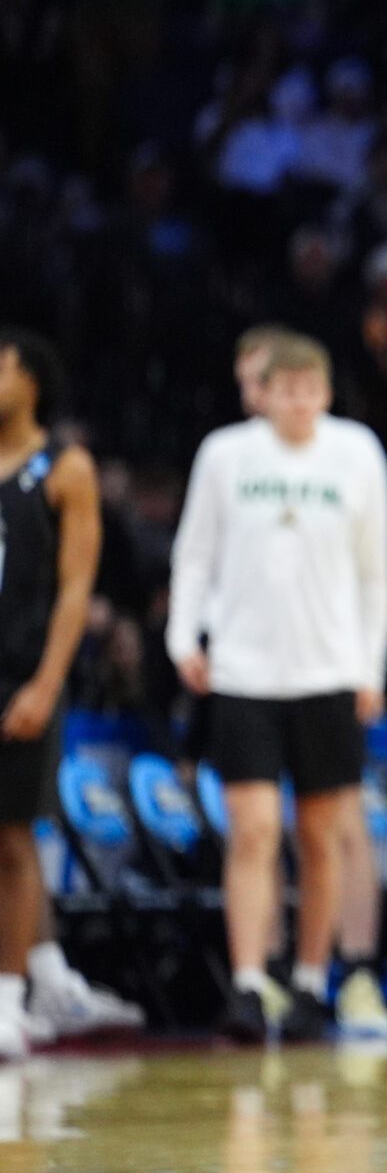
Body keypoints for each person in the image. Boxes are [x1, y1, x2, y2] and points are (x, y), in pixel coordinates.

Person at [167, 334, 387, 1042]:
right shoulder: (225, 455)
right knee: (255, 830)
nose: (297, 402)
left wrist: (370, 666)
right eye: (284, 389)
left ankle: (308, 979)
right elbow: (194, 552)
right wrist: (183, 636)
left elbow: (373, 571)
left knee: (321, 836)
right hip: (245, 673)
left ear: (326, 393)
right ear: (262, 393)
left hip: (328, 673)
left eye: (310, 389)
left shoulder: (357, 451)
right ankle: (245, 982)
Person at [0, 332, 145, 1058]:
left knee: (15, 839)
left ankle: (9, 1001)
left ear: (32, 380)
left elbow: (74, 589)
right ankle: (50, 976)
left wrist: (46, 682)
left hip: (25, 672)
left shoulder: (64, 467)